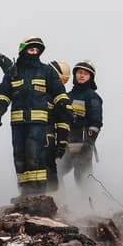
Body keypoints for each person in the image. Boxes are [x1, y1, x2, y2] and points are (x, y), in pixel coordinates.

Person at [0, 36, 70, 195]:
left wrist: (64, 104)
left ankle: (38, 195)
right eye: (31, 49)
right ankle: (25, 194)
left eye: (37, 50)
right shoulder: (14, 72)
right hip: (17, 123)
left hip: (38, 123)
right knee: (19, 158)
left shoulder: (46, 71)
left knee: (34, 155)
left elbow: (58, 90)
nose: (34, 53)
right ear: (23, 50)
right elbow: (4, 92)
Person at [62, 60, 103, 186]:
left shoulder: (92, 97)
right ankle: (58, 201)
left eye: (86, 73)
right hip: (66, 145)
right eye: (79, 72)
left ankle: (88, 203)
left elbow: (96, 123)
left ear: (91, 77)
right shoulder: (66, 96)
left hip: (84, 144)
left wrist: (89, 142)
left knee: (83, 179)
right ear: (74, 75)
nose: (82, 75)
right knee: (55, 172)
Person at [44, 60, 72, 192]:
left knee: (49, 166)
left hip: (48, 137)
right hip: (31, 134)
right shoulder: (36, 89)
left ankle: (54, 198)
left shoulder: (59, 96)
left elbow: (63, 121)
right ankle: (32, 196)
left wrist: (61, 143)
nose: (60, 85)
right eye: (60, 80)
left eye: (64, 82)